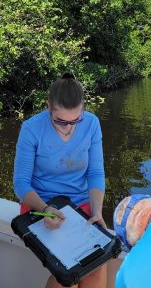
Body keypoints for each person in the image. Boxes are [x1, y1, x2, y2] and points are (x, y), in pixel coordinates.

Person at [13, 74, 107, 288]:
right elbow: (21, 184)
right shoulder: (31, 129)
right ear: (48, 107)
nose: (69, 128)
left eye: (75, 120)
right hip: (40, 206)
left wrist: (97, 211)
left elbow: (95, 174)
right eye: (61, 121)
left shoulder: (92, 123)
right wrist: (46, 209)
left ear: (83, 108)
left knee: (97, 264)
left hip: (80, 204)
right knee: (68, 273)